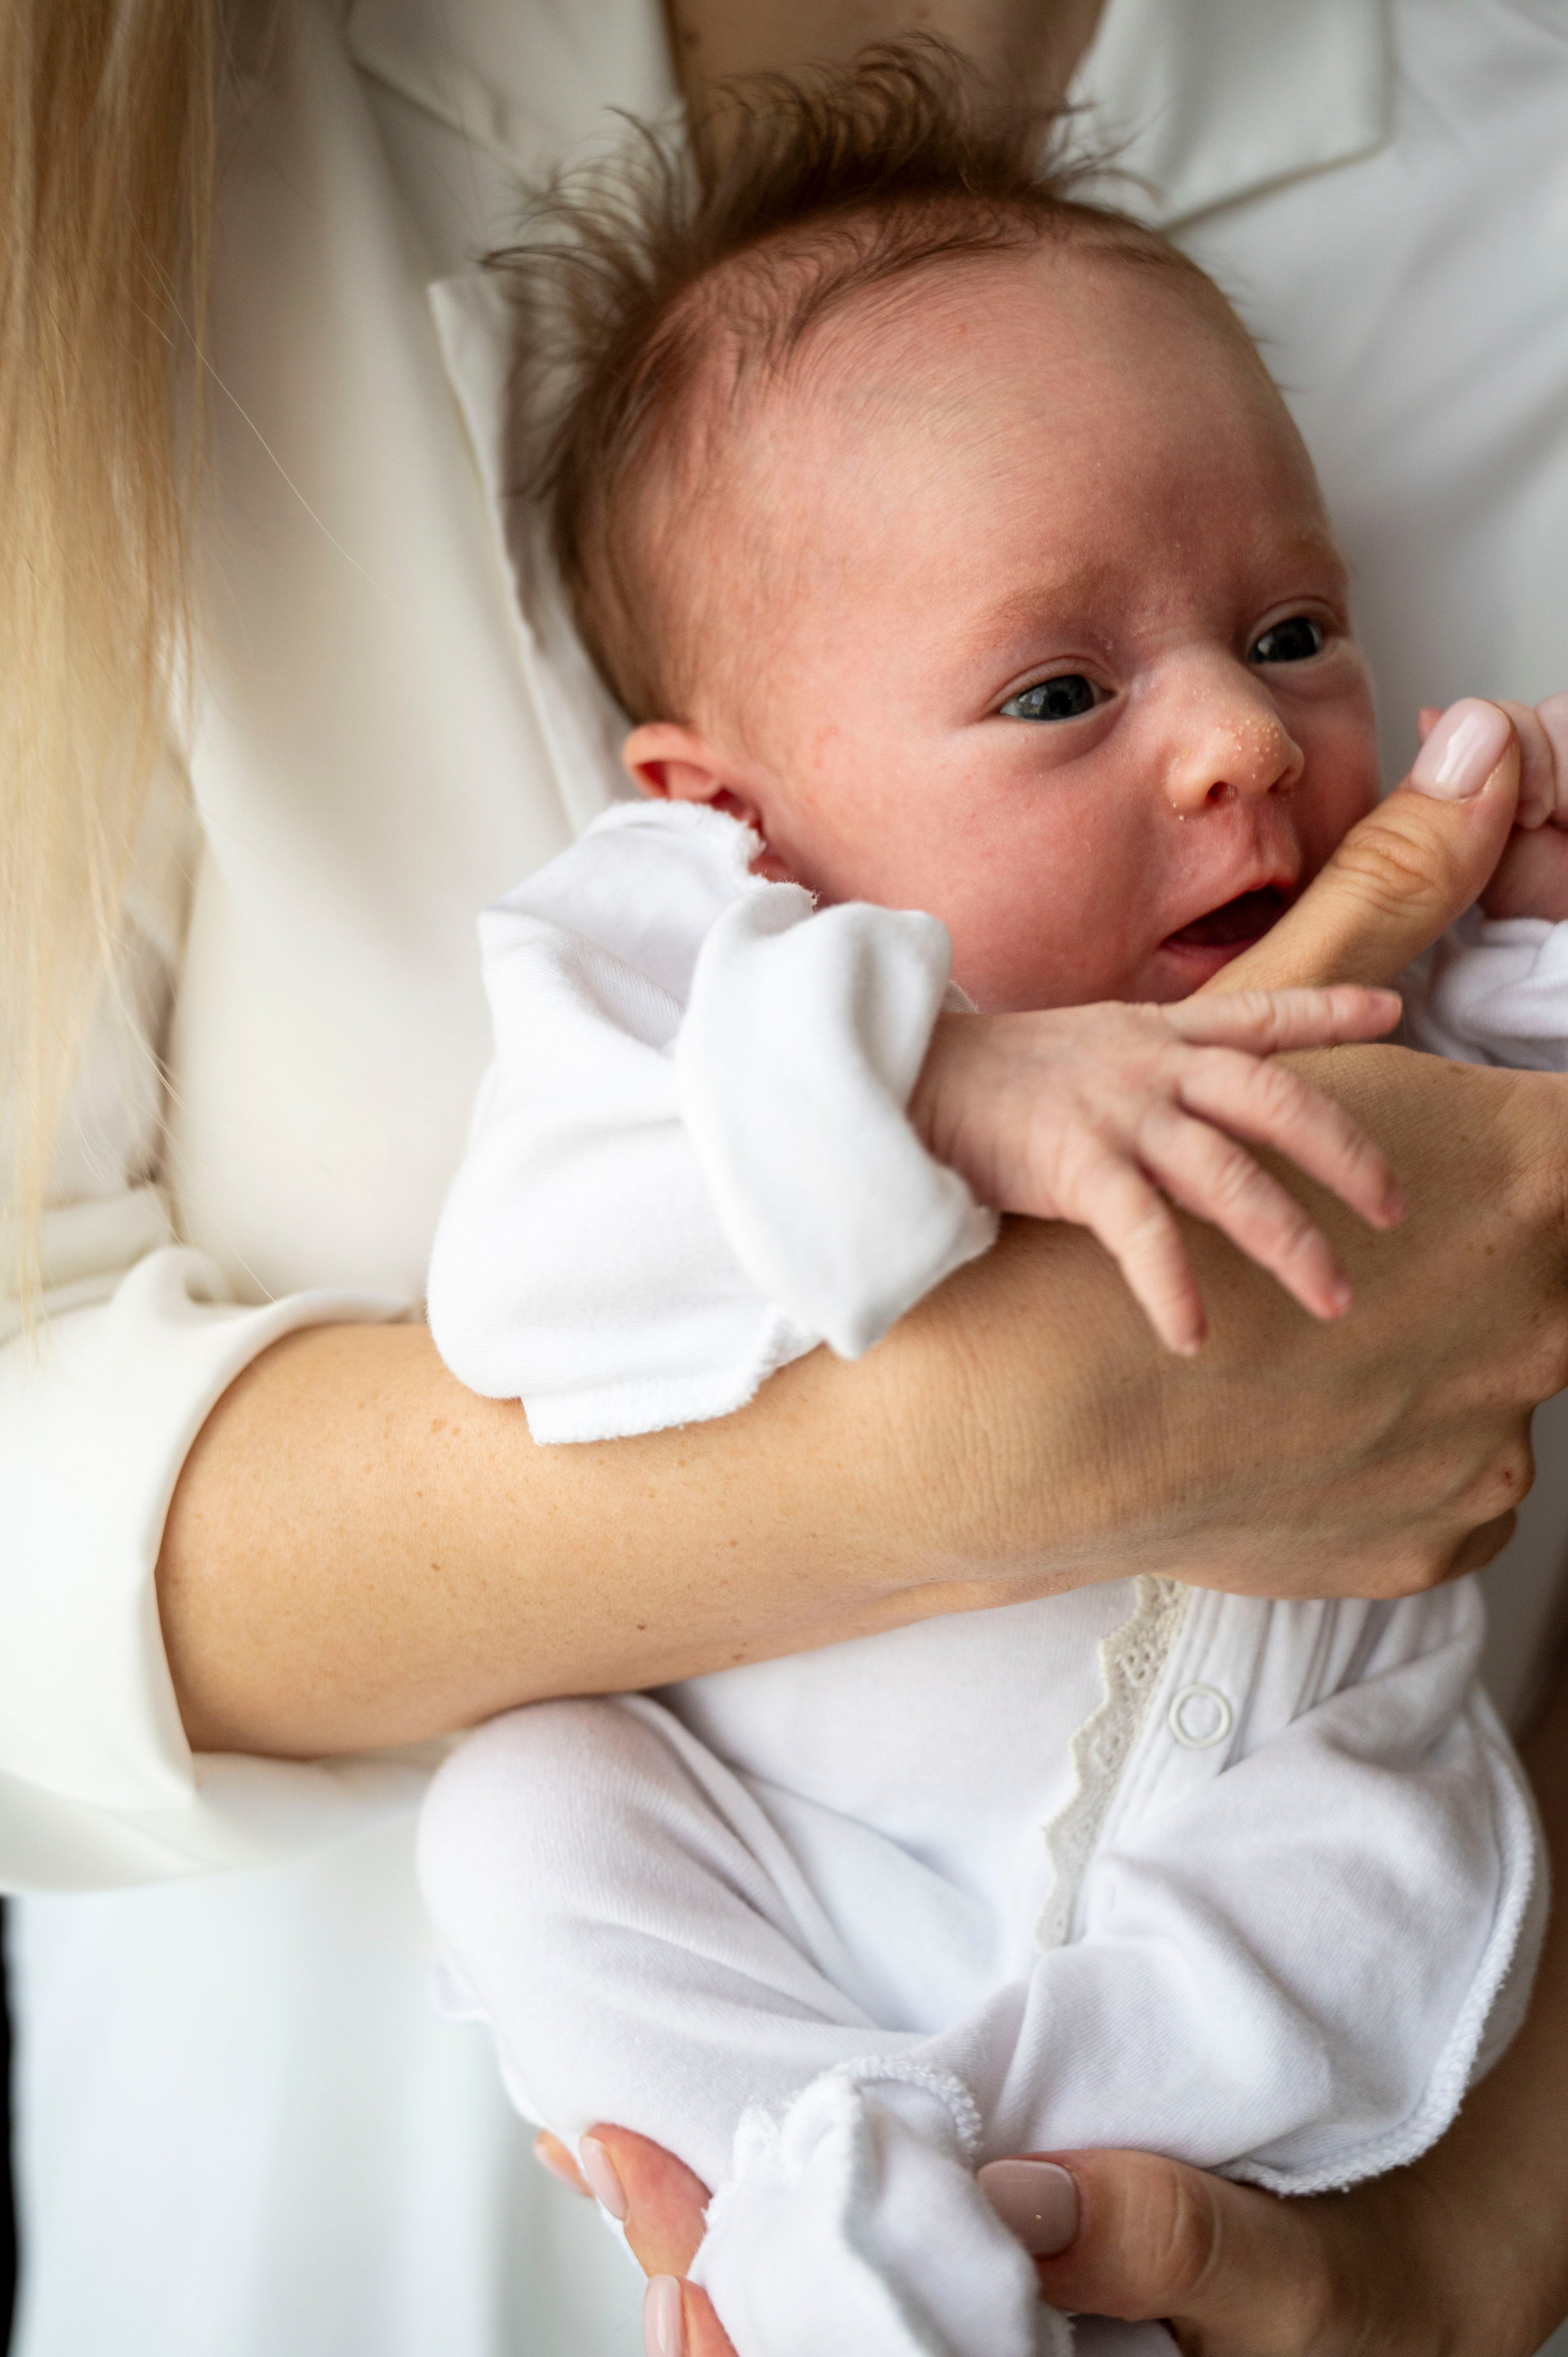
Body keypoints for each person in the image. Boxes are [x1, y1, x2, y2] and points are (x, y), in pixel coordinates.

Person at [4, 3, 1568, 2355]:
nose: (1247, 737)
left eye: (1292, 634)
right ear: (726, 824)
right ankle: (817, 2192)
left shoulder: (1506, 132)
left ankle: (966, 2209)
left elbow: (1513, 1195)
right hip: (396, 2213)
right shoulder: (689, 1007)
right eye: (1060, 697)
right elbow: (550, 1272)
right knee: (524, 1825)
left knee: (1356, 1916)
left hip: (1271, 1984)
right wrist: (945, 1103)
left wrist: (1529, 956)